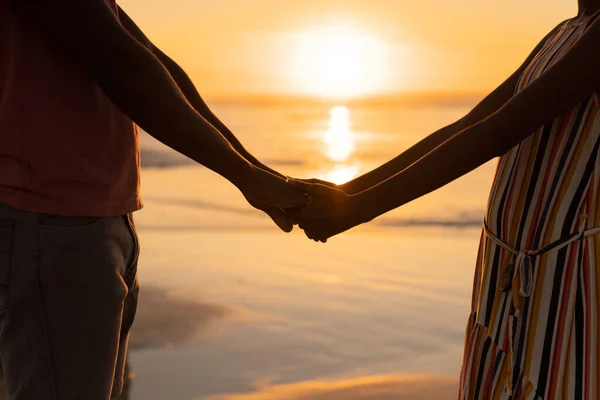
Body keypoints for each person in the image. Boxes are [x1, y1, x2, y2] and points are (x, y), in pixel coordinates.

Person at [291, 1, 600, 398]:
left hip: (568, 273)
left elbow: (496, 133)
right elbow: (466, 127)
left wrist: (358, 209)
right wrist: (346, 191)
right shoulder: (564, 32)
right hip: (511, 272)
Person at [0, 0, 306, 399]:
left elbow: (144, 56)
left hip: (94, 219)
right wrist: (245, 175)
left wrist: (254, 172)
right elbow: (118, 60)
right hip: (48, 220)